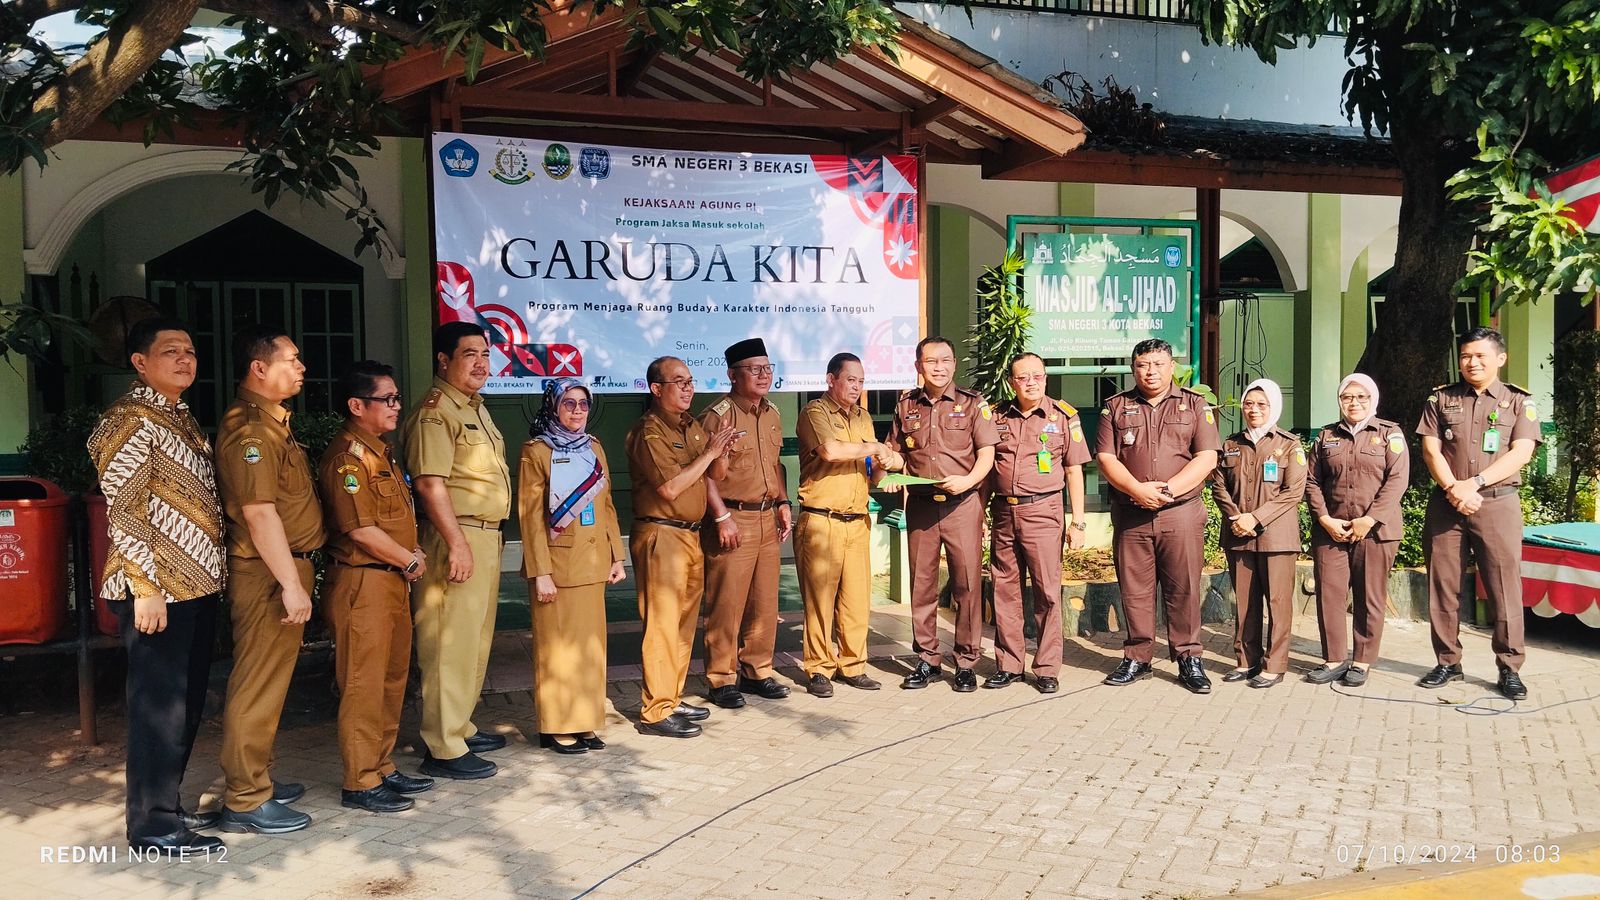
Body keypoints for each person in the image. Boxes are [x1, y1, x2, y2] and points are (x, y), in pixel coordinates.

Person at [88, 317, 227, 854]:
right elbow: (124, 510)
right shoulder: (127, 420)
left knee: (186, 704)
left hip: (195, 583)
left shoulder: (181, 418)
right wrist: (145, 587)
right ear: (140, 363)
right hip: (158, 590)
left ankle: (169, 806)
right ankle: (152, 826)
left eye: (190, 351)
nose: (185, 359)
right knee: (158, 709)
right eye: (170, 351)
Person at [214, 326, 322, 834]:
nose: (301, 367)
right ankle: (245, 798)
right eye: (292, 359)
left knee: (271, 683)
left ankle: (258, 779)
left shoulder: (274, 425)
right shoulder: (251, 431)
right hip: (267, 574)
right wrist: (292, 584)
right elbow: (259, 514)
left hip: (280, 568)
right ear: (260, 368)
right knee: (257, 682)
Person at [316, 361, 436, 812]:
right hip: (362, 583)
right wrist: (408, 557)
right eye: (387, 399)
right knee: (363, 683)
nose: (396, 406)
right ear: (356, 405)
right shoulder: (348, 458)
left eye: (397, 398)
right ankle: (360, 779)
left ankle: (381, 766)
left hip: (391, 581)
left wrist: (410, 557)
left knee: (390, 678)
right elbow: (360, 530)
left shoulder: (381, 451)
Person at [399, 322, 513, 778]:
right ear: (444, 361)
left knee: (475, 640)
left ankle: (460, 725)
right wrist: (458, 544)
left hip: (483, 535)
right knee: (448, 642)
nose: (481, 363)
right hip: (456, 537)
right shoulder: (436, 412)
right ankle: (443, 746)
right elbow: (429, 483)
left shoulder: (475, 408)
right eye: (470, 354)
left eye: (485, 353)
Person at [1415, 327, 1541, 700]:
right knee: (1443, 585)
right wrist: (1455, 488)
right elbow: (1430, 451)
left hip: (1497, 503)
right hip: (1447, 504)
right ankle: (1447, 662)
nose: (1472, 362)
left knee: (1504, 586)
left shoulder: (1519, 402)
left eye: (1480, 356)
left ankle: (1509, 667)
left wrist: (1476, 483)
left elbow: (1521, 452)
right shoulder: (1441, 399)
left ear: (1500, 359)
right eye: (1466, 356)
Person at [1095, 338, 1221, 693]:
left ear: (1171, 367)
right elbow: (1106, 459)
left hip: (1180, 513)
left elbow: (1206, 457)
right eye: (1142, 365)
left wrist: (1168, 491)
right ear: (1133, 368)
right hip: (1132, 514)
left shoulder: (1195, 406)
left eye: (1157, 364)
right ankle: (1137, 656)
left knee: (1184, 589)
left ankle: (1188, 658)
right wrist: (1137, 490)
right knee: (1135, 589)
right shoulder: (1115, 407)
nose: (1149, 372)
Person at [626, 356, 735, 737]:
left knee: (685, 623)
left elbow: (715, 475)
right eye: (678, 382)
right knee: (662, 624)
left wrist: (720, 449)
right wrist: (709, 454)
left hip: (691, 533)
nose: (688, 388)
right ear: (657, 389)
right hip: (662, 534)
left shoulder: (691, 426)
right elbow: (669, 488)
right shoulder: (649, 431)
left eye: (690, 381)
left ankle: (670, 695)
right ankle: (655, 711)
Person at [518, 377, 626, 753]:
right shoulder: (536, 451)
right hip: (558, 565)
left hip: (593, 561)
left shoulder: (593, 446)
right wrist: (540, 571)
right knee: (558, 648)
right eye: (569, 404)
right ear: (552, 407)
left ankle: (584, 722)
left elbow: (607, 502)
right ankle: (555, 726)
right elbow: (530, 517)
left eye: (583, 404)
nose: (578, 411)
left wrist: (617, 555)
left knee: (590, 648)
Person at [887, 336, 999, 692]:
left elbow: (987, 454)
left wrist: (967, 481)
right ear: (918, 365)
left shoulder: (971, 404)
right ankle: (927, 659)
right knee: (922, 584)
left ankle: (966, 661)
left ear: (954, 363)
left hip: (962, 506)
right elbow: (897, 453)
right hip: (920, 506)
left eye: (946, 360)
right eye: (931, 361)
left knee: (966, 585)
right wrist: (890, 470)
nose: (939, 367)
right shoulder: (906, 405)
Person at [795, 352, 902, 697]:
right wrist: (873, 446)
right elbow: (830, 451)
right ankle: (819, 669)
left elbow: (871, 472)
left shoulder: (864, 418)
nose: (856, 387)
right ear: (831, 380)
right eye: (850, 379)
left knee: (856, 600)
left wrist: (887, 466)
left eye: (861, 381)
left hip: (857, 519)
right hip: (822, 519)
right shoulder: (815, 411)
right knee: (820, 600)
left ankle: (853, 666)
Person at [986, 352, 1090, 694]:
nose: (1030, 383)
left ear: (1045, 378)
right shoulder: (997, 415)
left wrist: (1078, 522)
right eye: (1022, 377)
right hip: (1003, 512)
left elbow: (1075, 470)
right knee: (1004, 590)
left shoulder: (1063, 417)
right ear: (1012, 382)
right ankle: (1009, 665)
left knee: (1046, 591)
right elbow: (988, 468)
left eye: (1036, 376)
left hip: (1044, 512)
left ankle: (1046, 667)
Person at [699, 338, 793, 709]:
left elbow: (773, 465)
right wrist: (721, 515)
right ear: (732, 375)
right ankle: (721, 678)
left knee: (765, 601)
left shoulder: (771, 413)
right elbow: (704, 473)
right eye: (754, 369)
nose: (763, 375)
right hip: (732, 516)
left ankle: (757, 670)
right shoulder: (717, 415)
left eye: (767, 369)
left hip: (767, 515)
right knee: (727, 602)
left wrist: (784, 502)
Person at [1306, 373, 1409, 687]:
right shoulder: (1325, 436)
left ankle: (1362, 661)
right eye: (1347, 397)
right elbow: (1311, 482)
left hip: (1376, 532)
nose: (1354, 403)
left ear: (1373, 400)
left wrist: (1370, 519)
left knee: (1369, 597)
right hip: (1332, 530)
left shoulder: (1390, 434)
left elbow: (1397, 481)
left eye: (1361, 397)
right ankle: (1334, 659)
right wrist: (1324, 518)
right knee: (1330, 596)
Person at [1209, 379, 1306, 689]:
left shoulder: (1289, 445)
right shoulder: (1231, 444)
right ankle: (1246, 660)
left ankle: (1274, 664)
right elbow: (1218, 485)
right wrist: (1237, 516)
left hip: (1277, 537)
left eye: (1261, 405)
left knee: (1278, 602)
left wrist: (1256, 517)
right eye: (1248, 404)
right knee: (1246, 602)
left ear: (1274, 407)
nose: (1253, 410)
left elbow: (1294, 492)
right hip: (1239, 533)